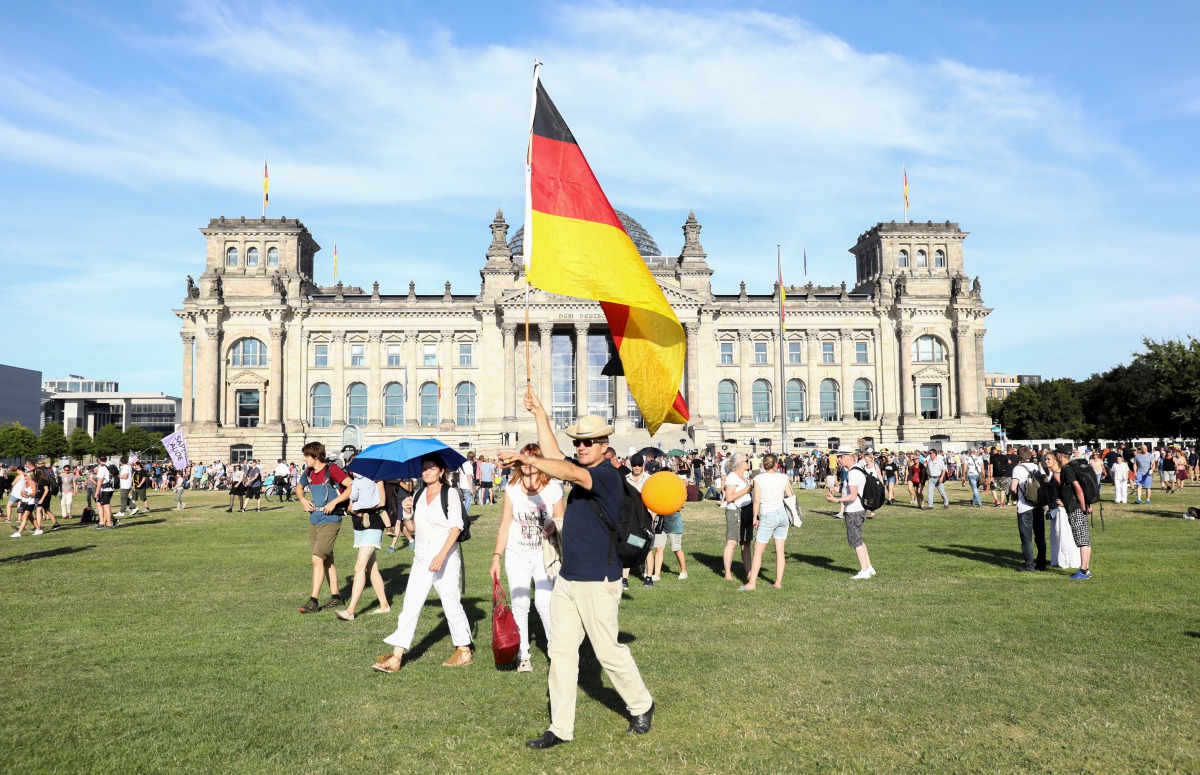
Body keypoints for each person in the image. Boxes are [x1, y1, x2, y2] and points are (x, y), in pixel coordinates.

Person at [498, 393, 654, 750]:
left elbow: (564, 470)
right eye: (578, 442)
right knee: (561, 653)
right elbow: (556, 459)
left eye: (588, 442)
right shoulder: (585, 467)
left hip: (599, 580)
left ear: (604, 445)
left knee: (608, 653)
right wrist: (540, 413)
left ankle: (642, 705)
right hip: (568, 578)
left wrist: (525, 456)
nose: (581, 447)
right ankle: (560, 727)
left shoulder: (606, 477)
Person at [373, 454, 473, 671]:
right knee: (410, 606)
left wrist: (441, 556)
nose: (426, 472)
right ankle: (396, 657)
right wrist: (408, 512)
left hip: (445, 557)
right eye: (424, 468)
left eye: (431, 468)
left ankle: (464, 650)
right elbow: (413, 530)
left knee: (451, 603)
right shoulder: (417, 494)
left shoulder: (451, 494)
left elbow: (456, 527)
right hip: (421, 558)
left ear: (441, 471)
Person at [490, 443, 565, 673]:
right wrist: (496, 556)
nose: (528, 466)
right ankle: (523, 655)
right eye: (523, 461)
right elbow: (506, 522)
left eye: (532, 461)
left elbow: (562, 518)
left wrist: (552, 526)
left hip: (544, 553)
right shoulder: (512, 489)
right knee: (520, 604)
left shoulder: (552, 488)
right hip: (517, 554)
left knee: (544, 603)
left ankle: (557, 652)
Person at [334, 454, 392, 620]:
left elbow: (382, 502)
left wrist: (365, 507)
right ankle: (384, 605)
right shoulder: (356, 482)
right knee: (371, 567)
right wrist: (355, 508)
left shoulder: (376, 479)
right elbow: (351, 506)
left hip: (373, 523)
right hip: (359, 525)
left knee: (359, 567)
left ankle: (350, 611)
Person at [296, 442, 350, 614]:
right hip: (315, 520)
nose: (304, 459)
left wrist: (334, 502)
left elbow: (350, 486)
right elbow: (299, 487)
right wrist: (303, 500)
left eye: (307, 455)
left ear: (316, 456)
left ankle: (313, 600)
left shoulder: (332, 470)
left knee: (317, 559)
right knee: (327, 560)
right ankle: (336, 597)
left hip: (331, 520)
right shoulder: (308, 472)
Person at [740, 453, 794, 590]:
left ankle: (752, 583)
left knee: (758, 550)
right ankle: (778, 582)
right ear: (776, 464)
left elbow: (757, 500)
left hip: (768, 514)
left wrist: (754, 517)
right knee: (780, 550)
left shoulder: (759, 478)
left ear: (763, 464)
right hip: (782, 514)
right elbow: (791, 496)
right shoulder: (783, 477)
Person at [826, 451, 876, 579]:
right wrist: (837, 490)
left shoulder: (853, 472)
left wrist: (836, 500)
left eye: (841, 457)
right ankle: (869, 567)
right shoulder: (858, 469)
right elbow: (852, 489)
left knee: (855, 541)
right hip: (859, 509)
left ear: (849, 457)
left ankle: (864, 570)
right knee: (859, 539)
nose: (839, 460)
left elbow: (852, 496)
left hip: (854, 510)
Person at [1052, 448, 1093, 580]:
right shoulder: (1069, 468)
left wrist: (1083, 508)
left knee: (1082, 540)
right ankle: (1085, 570)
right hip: (1078, 507)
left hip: (1076, 509)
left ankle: (1083, 570)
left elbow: (1078, 489)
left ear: (1059, 456)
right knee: (1085, 540)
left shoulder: (1066, 469)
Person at [1009, 447, 1046, 571]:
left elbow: (1013, 487)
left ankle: (1029, 565)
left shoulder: (1018, 469)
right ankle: (1042, 563)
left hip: (1025, 506)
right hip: (1039, 505)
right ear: (1030, 455)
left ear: (1019, 456)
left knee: (1026, 538)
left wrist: (1014, 498)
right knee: (1040, 536)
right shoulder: (1038, 467)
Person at [1042, 452, 1081, 570]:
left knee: (1063, 535)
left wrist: (1064, 502)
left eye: (1049, 459)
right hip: (1055, 508)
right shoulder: (1053, 473)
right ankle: (1058, 560)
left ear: (1055, 460)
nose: (1046, 461)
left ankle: (1068, 561)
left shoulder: (1058, 474)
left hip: (1061, 510)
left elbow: (1069, 489)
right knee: (1056, 535)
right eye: (1045, 459)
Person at [722, 453, 754, 581]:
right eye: (746, 461)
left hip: (746, 510)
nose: (748, 463)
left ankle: (749, 572)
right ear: (740, 463)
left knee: (746, 543)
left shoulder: (743, 477)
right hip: (735, 511)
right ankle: (728, 574)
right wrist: (746, 490)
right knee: (732, 542)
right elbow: (729, 497)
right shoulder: (732, 477)